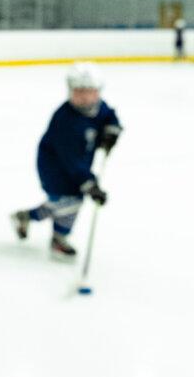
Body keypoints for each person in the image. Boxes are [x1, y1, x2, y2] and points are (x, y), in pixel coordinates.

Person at [12, 63, 122, 259]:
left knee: (66, 202)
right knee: (68, 201)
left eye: (90, 91)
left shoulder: (98, 107)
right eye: (79, 91)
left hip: (77, 165)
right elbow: (71, 160)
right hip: (55, 167)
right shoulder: (66, 120)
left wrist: (112, 130)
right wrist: (89, 184)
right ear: (70, 91)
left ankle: (27, 217)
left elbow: (109, 116)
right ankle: (57, 237)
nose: (85, 96)